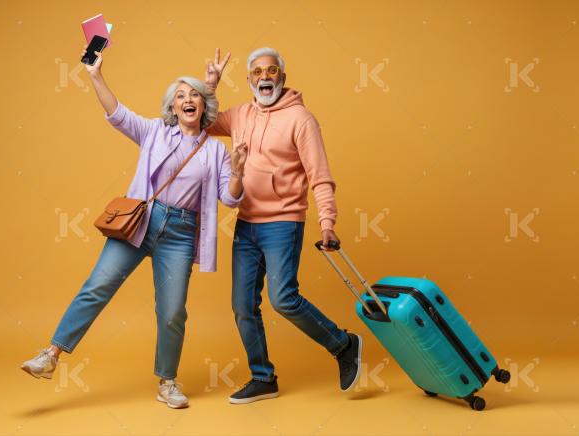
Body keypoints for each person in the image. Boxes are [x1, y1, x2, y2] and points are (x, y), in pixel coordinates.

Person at [21, 43, 247, 409]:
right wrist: (95, 74)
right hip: (142, 220)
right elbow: (118, 114)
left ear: (203, 105)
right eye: (180, 96)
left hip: (181, 233)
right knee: (98, 285)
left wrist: (237, 171)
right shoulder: (155, 132)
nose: (187, 100)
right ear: (172, 108)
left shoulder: (217, 150)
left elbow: (231, 198)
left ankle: (167, 382)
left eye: (194, 96)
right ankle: (51, 354)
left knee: (172, 311)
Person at [204, 47, 362, 404]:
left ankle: (343, 344)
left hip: (284, 222)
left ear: (282, 78)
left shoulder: (301, 119)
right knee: (242, 305)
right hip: (246, 224)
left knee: (283, 298)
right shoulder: (240, 114)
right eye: (257, 72)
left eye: (272, 71)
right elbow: (204, 121)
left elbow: (320, 176)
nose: (264, 77)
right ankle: (263, 377)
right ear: (248, 80)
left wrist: (327, 223)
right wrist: (210, 85)